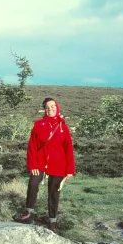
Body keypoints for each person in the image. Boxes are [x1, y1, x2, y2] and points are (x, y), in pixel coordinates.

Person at [13, 97, 75, 232]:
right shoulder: (38, 125)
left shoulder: (63, 127)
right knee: (33, 183)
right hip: (39, 162)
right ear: (44, 110)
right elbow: (32, 147)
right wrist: (32, 165)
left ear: (57, 108)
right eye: (47, 107)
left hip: (58, 164)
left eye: (52, 106)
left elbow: (68, 149)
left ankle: (52, 220)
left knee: (54, 192)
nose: (50, 109)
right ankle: (29, 213)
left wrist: (70, 169)